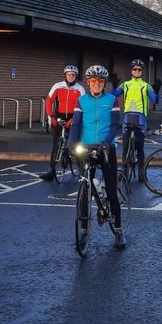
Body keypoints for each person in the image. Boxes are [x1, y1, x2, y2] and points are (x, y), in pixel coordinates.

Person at [69, 64, 126, 248]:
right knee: (85, 187)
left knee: (111, 191)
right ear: (88, 82)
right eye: (93, 81)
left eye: (100, 81)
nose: (97, 84)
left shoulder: (111, 100)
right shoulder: (81, 101)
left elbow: (117, 125)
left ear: (104, 83)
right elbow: (76, 125)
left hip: (106, 148)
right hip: (86, 147)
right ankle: (84, 231)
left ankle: (118, 231)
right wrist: (71, 144)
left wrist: (106, 143)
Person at [112, 59, 159, 181]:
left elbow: (155, 101)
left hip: (141, 118)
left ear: (142, 71)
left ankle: (141, 173)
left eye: (139, 69)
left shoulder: (145, 85)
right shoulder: (126, 84)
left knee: (140, 146)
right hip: (128, 116)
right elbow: (112, 95)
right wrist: (114, 86)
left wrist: (156, 91)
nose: (137, 71)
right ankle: (124, 170)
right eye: (135, 69)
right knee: (126, 144)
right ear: (131, 71)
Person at [40, 65, 85, 181]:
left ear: (76, 76)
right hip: (59, 116)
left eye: (73, 75)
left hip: (73, 116)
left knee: (76, 145)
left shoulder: (80, 89)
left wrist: (74, 119)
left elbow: (83, 106)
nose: (70, 77)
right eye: (68, 74)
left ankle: (82, 172)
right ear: (65, 75)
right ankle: (52, 170)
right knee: (56, 144)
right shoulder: (58, 86)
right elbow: (49, 101)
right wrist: (51, 116)